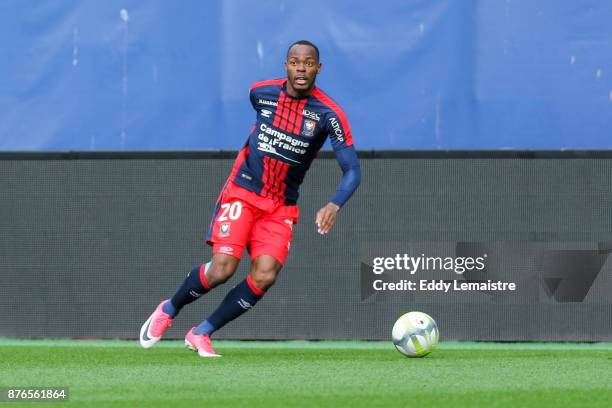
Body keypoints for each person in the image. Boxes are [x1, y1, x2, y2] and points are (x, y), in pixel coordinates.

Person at [139, 40, 361, 357]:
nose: (301, 68)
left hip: (281, 206)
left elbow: (353, 170)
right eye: (295, 62)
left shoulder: (329, 114)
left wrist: (334, 203)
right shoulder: (261, 93)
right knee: (222, 269)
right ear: (286, 65)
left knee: (265, 274)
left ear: (318, 68)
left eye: (309, 63)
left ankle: (202, 332)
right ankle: (169, 309)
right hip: (243, 192)